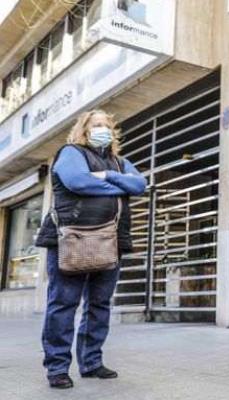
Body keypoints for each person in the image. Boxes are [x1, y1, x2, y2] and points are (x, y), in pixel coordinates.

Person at [34, 109, 146, 389]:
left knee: (99, 305)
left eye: (106, 125)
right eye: (96, 125)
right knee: (63, 304)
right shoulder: (71, 152)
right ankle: (58, 368)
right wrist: (119, 188)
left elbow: (140, 185)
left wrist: (106, 175)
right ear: (84, 129)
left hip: (110, 241)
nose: (102, 129)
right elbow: (77, 181)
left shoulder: (118, 163)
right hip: (72, 238)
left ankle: (91, 362)